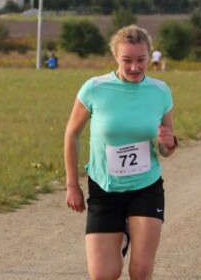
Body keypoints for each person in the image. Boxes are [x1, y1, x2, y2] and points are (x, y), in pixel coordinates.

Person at [64, 25, 177, 280]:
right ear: (116, 57)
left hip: (145, 188)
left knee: (140, 272)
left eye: (141, 60)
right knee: (104, 275)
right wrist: (72, 185)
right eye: (127, 60)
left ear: (150, 56)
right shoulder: (94, 88)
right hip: (105, 190)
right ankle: (122, 234)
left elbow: (165, 148)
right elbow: (72, 133)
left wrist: (169, 144)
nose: (135, 67)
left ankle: (127, 231)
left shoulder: (160, 91)